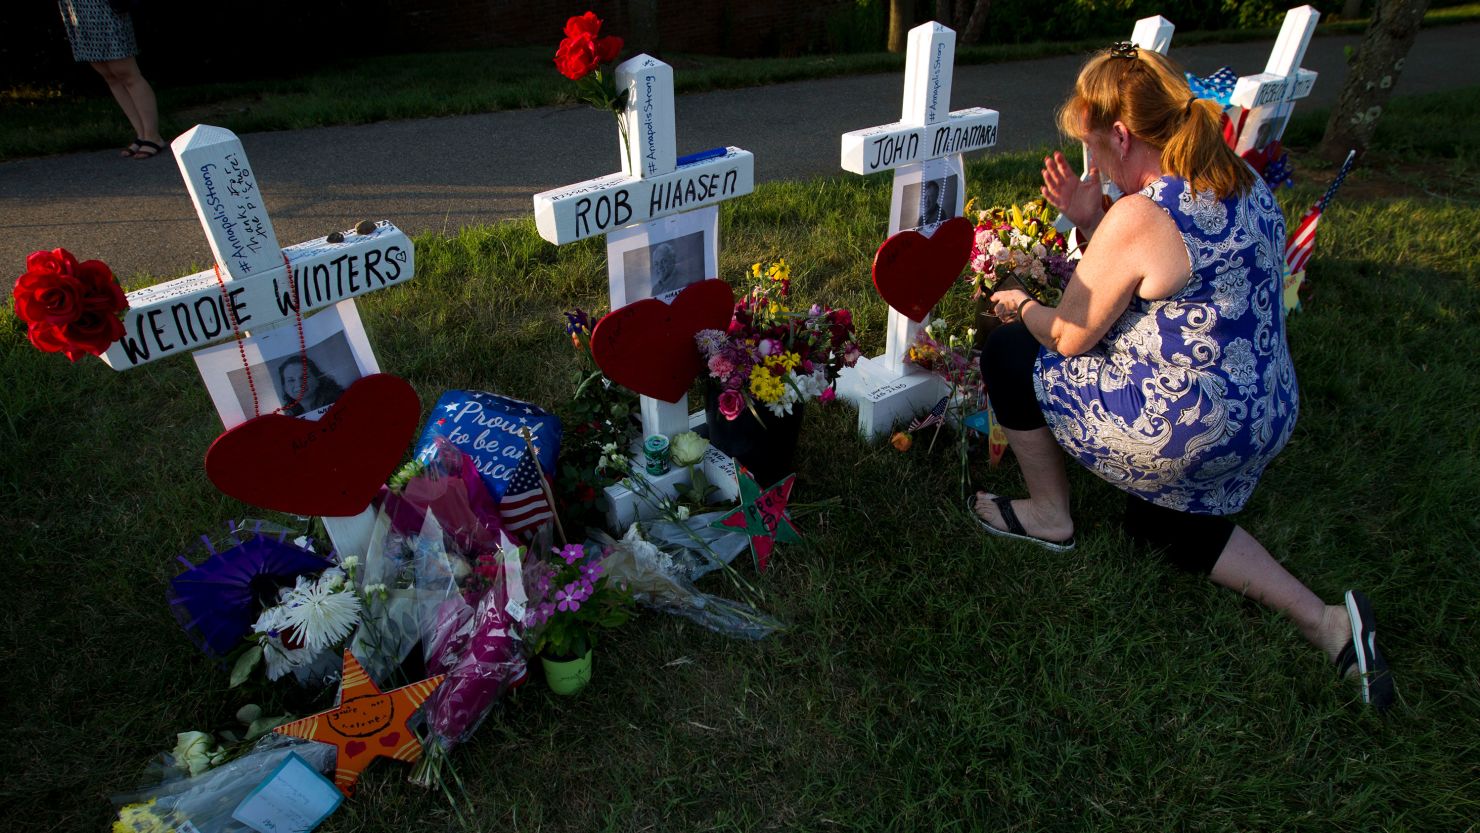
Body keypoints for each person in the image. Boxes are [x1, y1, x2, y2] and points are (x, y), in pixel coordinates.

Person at [971, 43, 1394, 710]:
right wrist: (1090, 221)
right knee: (1155, 522)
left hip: (1191, 428)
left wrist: (1019, 302)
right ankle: (1329, 622)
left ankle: (1051, 513)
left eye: (1094, 151)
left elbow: (1071, 333)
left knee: (1010, 351)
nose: (1094, 167)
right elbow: (1160, 283)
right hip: (1263, 412)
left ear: (1120, 135)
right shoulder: (1239, 178)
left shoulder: (1145, 214)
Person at [56, 0, 164, 159]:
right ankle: (141, 134)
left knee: (127, 72)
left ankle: (153, 136)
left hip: (100, 6)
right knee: (109, 75)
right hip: (75, 7)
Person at [276, 356, 345, 416]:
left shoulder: (341, 399)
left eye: (304, 377)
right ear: (284, 387)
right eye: (291, 380)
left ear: (317, 379)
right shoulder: (288, 415)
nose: (299, 384)